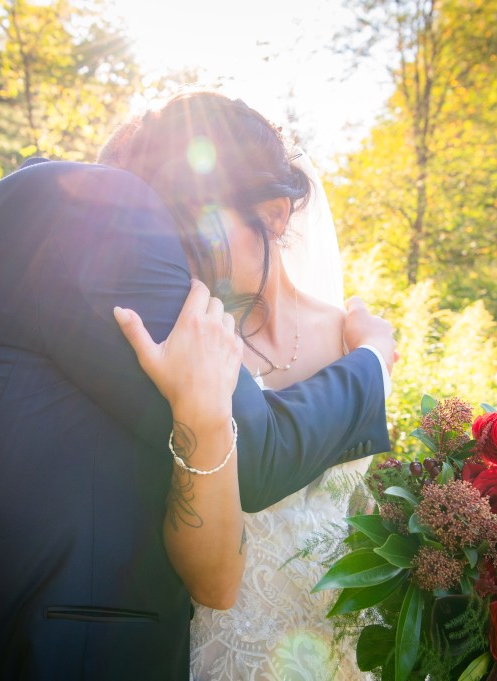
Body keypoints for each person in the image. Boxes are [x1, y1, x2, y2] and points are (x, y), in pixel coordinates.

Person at [0, 94, 396, 678]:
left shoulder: (68, 220)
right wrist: (374, 358)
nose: (181, 271)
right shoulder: (97, 212)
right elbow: (255, 450)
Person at [106, 92, 380, 679]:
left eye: (192, 226)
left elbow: (372, 506)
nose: (173, 254)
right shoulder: (177, 346)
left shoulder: (356, 341)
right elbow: (210, 582)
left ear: (276, 214)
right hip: (233, 652)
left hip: (358, 643)